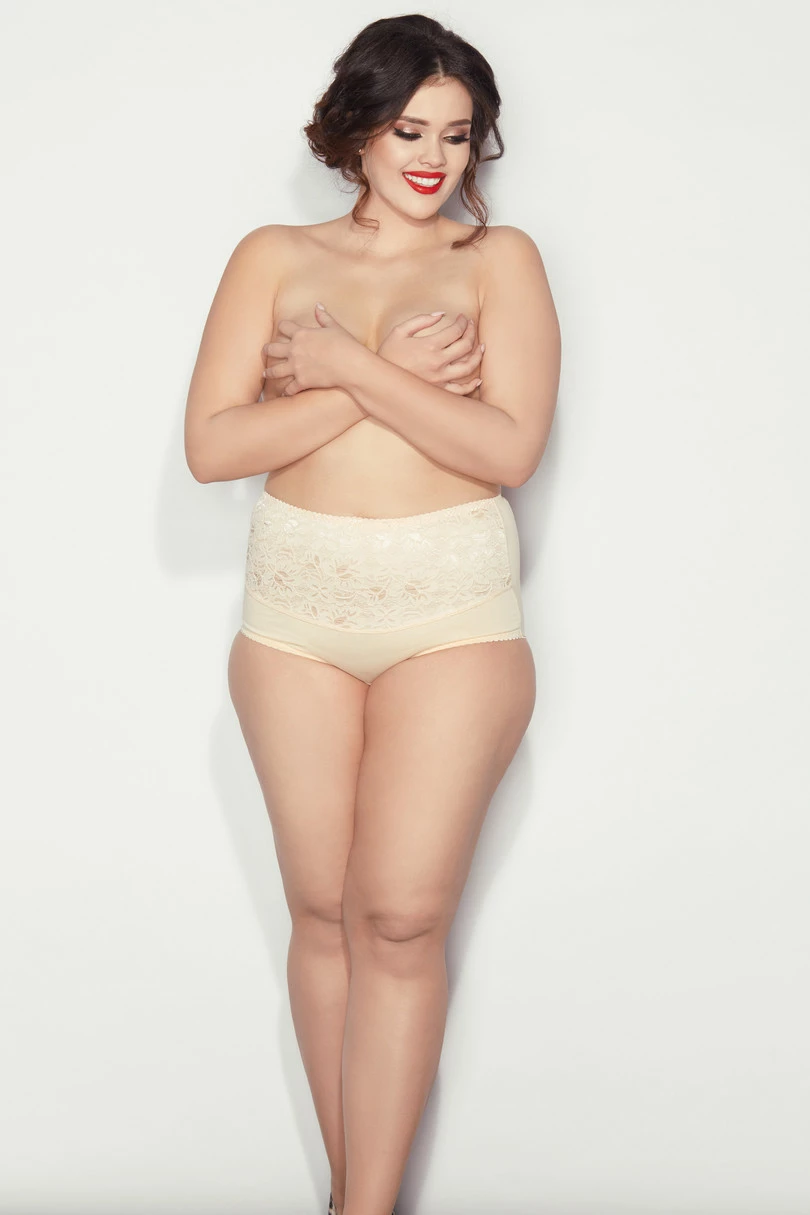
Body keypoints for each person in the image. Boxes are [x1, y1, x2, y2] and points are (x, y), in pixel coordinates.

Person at [184, 14, 560, 1215]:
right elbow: (213, 447)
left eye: (457, 134)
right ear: (357, 129)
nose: (434, 158)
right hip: (295, 614)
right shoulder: (271, 257)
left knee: (398, 917)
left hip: (451, 613)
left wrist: (343, 366)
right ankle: (364, 1202)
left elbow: (506, 449)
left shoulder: (498, 264)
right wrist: (387, 383)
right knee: (321, 911)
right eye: (410, 131)